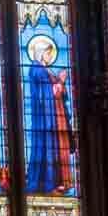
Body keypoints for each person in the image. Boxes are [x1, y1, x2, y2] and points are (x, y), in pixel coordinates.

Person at [23, 28, 73, 195]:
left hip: (56, 115)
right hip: (47, 117)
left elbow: (57, 93)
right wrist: (61, 80)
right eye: (47, 53)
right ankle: (49, 184)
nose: (50, 57)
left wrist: (59, 82)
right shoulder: (37, 70)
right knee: (50, 146)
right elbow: (48, 94)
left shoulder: (46, 70)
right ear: (40, 53)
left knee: (60, 145)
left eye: (51, 53)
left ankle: (59, 182)